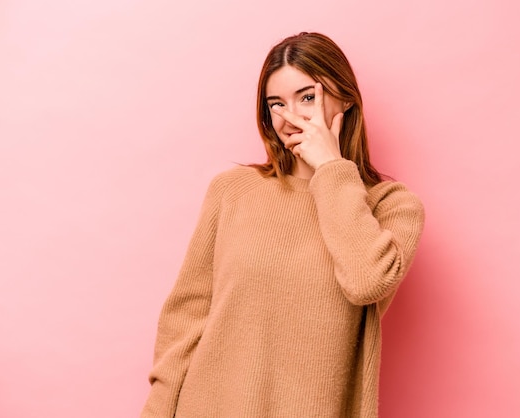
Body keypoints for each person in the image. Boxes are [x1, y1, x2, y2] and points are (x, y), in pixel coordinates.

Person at [141, 32, 425, 417]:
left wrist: (330, 168)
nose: (289, 118)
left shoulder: (391, 207)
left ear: (345, 98)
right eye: (277, 104)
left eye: (307, 97)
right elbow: (185, 320)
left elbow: (366, 283)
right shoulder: (233, 191)